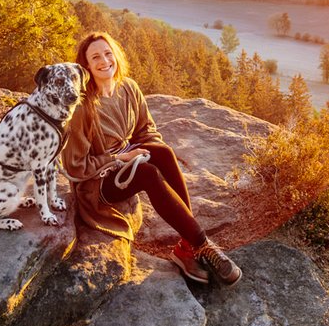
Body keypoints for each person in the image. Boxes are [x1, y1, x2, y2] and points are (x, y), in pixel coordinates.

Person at [61, 31, 242, 286]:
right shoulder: (82, 108)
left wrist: (145, 150)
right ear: (86, 66)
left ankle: (186, 246)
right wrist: (123, 158)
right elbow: (75, 167)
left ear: (116, 56)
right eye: (95, 57)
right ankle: (201, 243)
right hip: (97, 182)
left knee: (164, 153)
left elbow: (147, 130)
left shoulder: (129, 88)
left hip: (125, 159)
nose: (104, 61)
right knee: (148, 174)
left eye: (108, 53)